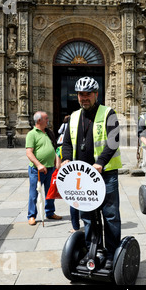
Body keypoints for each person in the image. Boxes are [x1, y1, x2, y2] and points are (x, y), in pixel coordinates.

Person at [61, 76, 122, 268]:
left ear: (96, 94)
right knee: (87, 215)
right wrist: (66, 159)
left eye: (87, 94)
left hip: (106, 174)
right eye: (80, 94)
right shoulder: (73, 117)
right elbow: (67, 143)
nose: (83, 98)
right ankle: (91, 250)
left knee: (110, 214)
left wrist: (101, 162)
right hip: (83, 176)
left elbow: (113, 141)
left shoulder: (108, 113)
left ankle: (112, 254)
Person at [26, 111, 63, 226]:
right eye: (46, 118)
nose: (48, 120)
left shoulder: (48, 133)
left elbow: (54, 149)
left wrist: (57, 160)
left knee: (50, 192)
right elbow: (29, 152)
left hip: (50, 168)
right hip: (37, 170)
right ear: (39, 121)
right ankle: (31, 215)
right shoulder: (32, 134)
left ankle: (50, 212)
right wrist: (38, 165)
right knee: (34, 193)